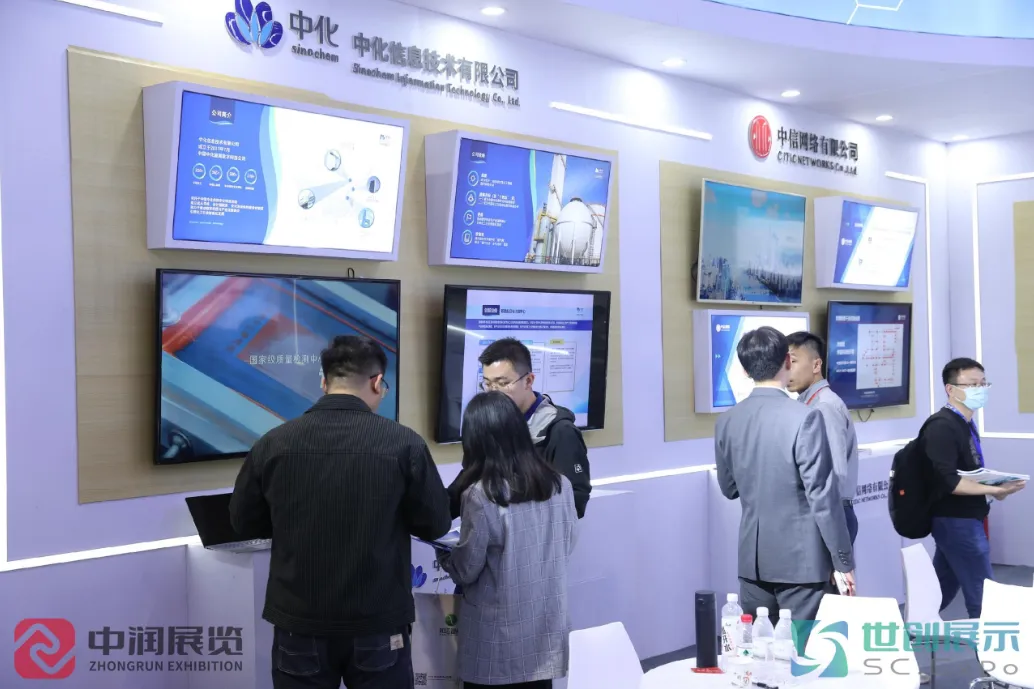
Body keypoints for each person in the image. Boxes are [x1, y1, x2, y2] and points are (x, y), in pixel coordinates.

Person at [229, 335, 452, 689]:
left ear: (324, 382)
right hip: (378, 620)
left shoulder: (273, 443)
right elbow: (436, 524)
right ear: (377, 382)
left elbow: (243, 523)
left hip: (299, 621)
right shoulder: (403, 443)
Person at [714, 326, 856, 625]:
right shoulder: (806, 417)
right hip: (802, 562)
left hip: (752, 562)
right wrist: (843, 561)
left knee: (757, 645)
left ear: (744, 370)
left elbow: (728, 488)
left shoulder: (727, 420)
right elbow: (822, 496)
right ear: (787, 362)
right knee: (803, 647)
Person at [437, 391, 578, 689]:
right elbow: (568, 543)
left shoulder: (481, 495)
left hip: (496, 642)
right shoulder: (560, 485)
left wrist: (445, 553)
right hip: (545, 632)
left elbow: (466, 570)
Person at [921, 358, 1026, 619]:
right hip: (955, 520)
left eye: (983, 383)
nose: (981, 389)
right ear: (951, 389)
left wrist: (995, 486)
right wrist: (995, 491)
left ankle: (906, 632)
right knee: (983, 596)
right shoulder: (941, 426)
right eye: (972, 384)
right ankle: (990, 646)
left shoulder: (965, 422)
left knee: (939, 590)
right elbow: (948, 481)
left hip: (966, 518)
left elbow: (966, 472)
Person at [449, 338, 590, 519]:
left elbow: (576, 500)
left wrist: (515, 522)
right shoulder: (491, 425)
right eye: (488, 384)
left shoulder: (560, 432)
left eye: (502, 383)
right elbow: (470, 477)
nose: (493, 392)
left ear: (528, 381)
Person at [787, 331, 860, 545]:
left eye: (793, 361)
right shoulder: (809, 404)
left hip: (829, 516)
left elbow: (834, 474)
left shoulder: (824, 406)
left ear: (816, 365)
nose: (786, 368)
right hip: (824, 514)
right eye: (784, 362)